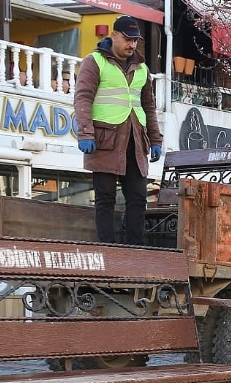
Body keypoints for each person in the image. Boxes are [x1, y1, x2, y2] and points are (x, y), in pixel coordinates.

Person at [73, 15, 163, 245]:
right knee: (105, 198)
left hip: (135, 141)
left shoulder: (142, 69)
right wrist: (85, 133)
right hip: (105, 142)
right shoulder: (95, 62)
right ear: (114, 35)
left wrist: (156, 139)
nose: (132, 45)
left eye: (135, 40)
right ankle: (107, 250)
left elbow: (148, 107)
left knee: (138, 198)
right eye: (128, 39)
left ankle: (135, 250)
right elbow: (82, 98)